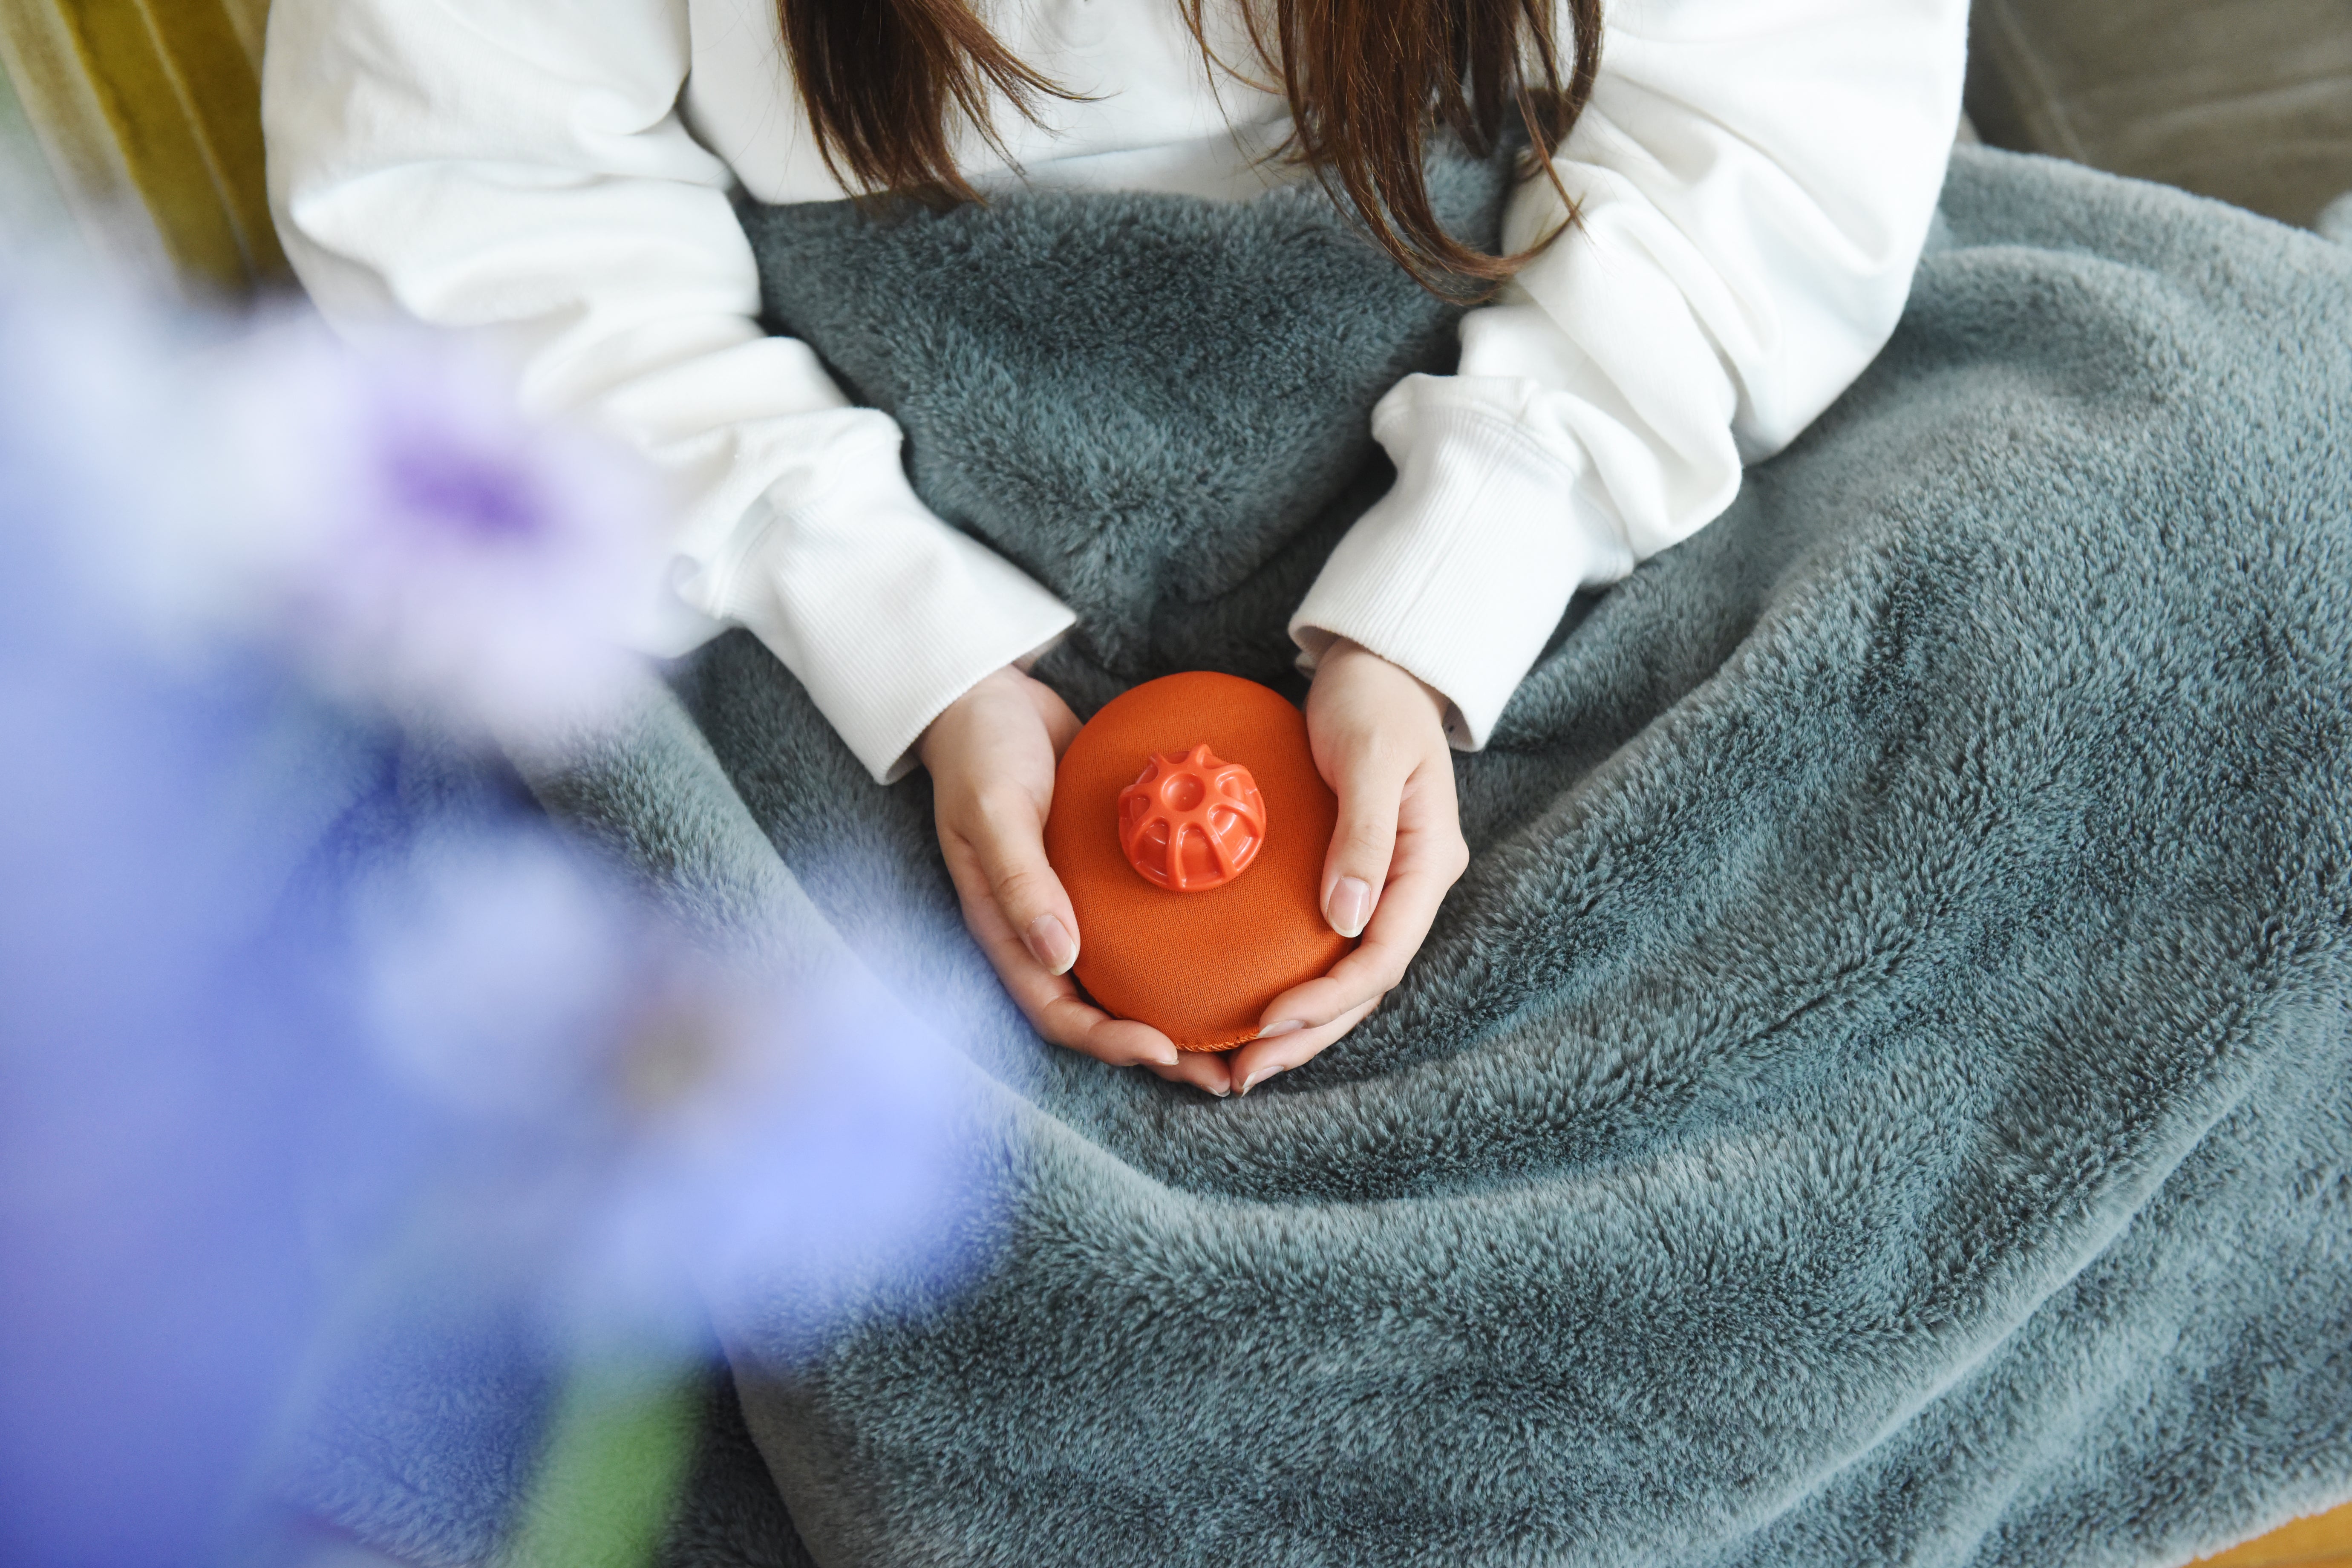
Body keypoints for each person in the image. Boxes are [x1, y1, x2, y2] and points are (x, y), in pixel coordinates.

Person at [262, 0, 1969, 1098]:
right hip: (833, 449)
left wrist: (1460, 584)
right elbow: (471, 188)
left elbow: (1773, 101)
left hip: (1531, 339)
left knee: (2170, 512)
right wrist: (906, 636)